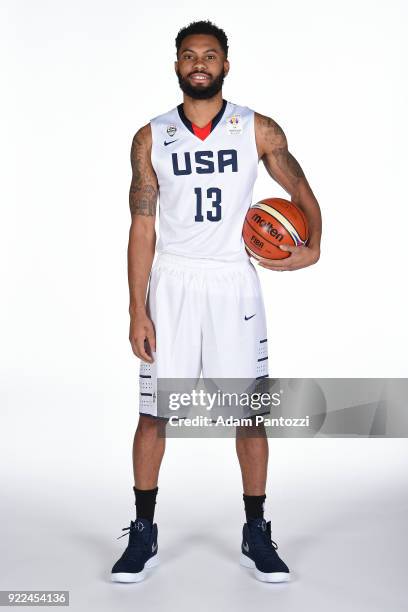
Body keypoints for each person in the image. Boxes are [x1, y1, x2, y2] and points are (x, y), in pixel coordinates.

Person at [111, 20, 321, 584]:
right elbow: (141, 228)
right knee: (155, 414)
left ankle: (256, 532)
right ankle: (144, 531)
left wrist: (313, 247)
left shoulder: (256, 129)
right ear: (176, 65)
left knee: (248, 415)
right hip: (173, 282)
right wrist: (137, 308)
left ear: (226, 64)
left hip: (234, 281)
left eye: (209, 55)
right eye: (188, 55)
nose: (198, 63)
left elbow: (300, 191)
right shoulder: (151, 137)